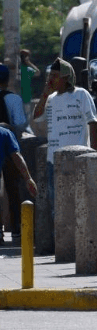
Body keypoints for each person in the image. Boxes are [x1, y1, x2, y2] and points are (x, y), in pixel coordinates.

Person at [32, 58, 97, 215]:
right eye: (50, 75)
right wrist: (44, 95)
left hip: (77, 158)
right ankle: (59, 239)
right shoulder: (50, 99)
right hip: (53, 160)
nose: (50, 79)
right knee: (57, 207)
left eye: (55, 75)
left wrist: (94, 150)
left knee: (79, 203)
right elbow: (37, 117)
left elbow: (93, 122)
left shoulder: (81, 95)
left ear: (66, 77)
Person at [0, 64, 31, 241]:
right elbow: (20, 124)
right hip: (9, 144)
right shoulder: (13, 99)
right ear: (8, 80)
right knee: (13, 188)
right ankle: (17, 229)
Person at [0, 125, 37, 244]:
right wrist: (28, 178)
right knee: (13, 193)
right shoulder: (5, 133)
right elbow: (17, 157)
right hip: (8, 167)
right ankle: (16, 232)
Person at [19, 49, 40, 118]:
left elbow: (37, 73)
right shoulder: (26, 69)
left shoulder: (24, 69)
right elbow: (38, 72)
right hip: (24, 97)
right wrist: (29, 63)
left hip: (24, 97)